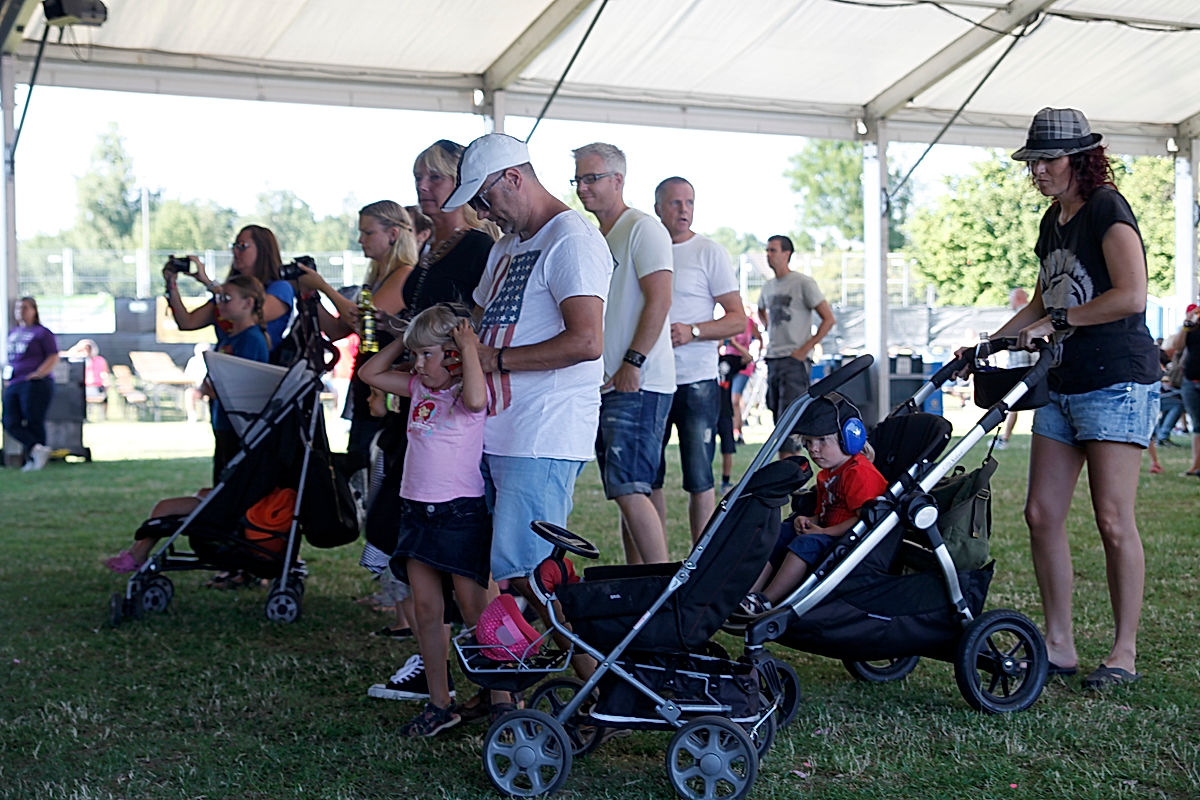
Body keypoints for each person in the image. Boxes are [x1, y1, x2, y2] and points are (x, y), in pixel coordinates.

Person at [993, 107, 1160, 690]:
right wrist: (996, 338)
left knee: (1113, 520)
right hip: (1061, 383)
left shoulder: (1108, 209)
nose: (1038, 170)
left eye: (1049, 160)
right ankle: (1059, 644)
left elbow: (1132, 296)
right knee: (1041, 514)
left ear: (1081, 159)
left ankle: (1124, 652)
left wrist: (1059, 319)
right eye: (1033, 161)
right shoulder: (1053, 220)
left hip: (1116, 379)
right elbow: (1043, 301)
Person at [446, 132, 610, 685]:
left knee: (532, 578)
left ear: (514, 178)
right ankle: (513, 691)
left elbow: (587, 341)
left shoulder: (573, 239)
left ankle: (600, 686)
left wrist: (493, 360)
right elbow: (478, 318)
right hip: (498, 432)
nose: (481, 211)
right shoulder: (506, 246)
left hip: (541, 434)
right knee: (512, 575)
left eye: (485, 198)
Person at [357, 142, 497, 701]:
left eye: (436, 178)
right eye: (419, 177)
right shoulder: (429, 251)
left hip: (455, 412)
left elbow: (481, 322)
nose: (424, 187)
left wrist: (452, 351)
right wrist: (406, 336)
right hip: (420, 402)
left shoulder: (477, 247)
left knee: (468, 573)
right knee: (402, 536)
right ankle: (436, 668)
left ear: (462, 184)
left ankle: (492, 676)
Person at [357, 305, 493, 737]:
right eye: (415, 357)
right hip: (415, 513)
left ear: (453, 356)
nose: (417, 365)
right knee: (427, 611)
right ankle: (440, 702)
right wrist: (406, 337)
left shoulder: (465, 392)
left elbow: (476, 399)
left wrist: (468, 349)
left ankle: (503, 699)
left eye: (427, 355)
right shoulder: (417, 388)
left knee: (475, 611)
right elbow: (370, 374)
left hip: (458, 516)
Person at [573, 142, 674, 565]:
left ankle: (665, 588)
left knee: (630, 487)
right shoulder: (598, 235)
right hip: (611, 382)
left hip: (638, 381)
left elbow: (661, 299)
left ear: (618, 180)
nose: (582, 187)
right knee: (629, 488)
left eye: (591, 178)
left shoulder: (642, 228)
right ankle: (642, 584)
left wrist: (634, 361)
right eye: (578, 179)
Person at [651, 176, 747, 542]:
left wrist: (691, 331)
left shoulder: (709, 251)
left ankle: (699, 563)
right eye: (675, 203)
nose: (684, 210)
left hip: (697, 381)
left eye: (689, 202)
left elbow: (737, 318)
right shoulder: (644, 247)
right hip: (649, 380)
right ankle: (654, 563)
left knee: (700, 478)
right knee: (647, 478)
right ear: (657, 207)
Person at [738, 393, 884, 615]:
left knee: (806, 543)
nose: (813, 449)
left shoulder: (859, 473)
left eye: (822, 440)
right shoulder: (827, 475)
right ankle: (746, 592)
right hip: (826, 532)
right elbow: (825, 511)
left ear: (849, 438)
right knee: (778, 533)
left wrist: (824, 530)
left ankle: (766, 600)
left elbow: (862, 519)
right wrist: (808, 520)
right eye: (808, 442)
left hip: (849, 541)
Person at [296, 200, 420, 460]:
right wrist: (310, 295)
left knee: (371, 461)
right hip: (368, 381)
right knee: (358, 459)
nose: (361, 240)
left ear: (393, 234)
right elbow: (336, 331)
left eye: (368, 232)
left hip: (387, 385)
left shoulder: (405, 274)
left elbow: (366, 323)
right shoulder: (375, 279)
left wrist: (323, 287)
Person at [163, 224, 295, 361]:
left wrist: (210, 284)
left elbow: (250, 314)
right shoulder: (225, 294)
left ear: (263, 250)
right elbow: (187, 322)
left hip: (255, 372)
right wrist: (171, 284)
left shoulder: (280, 288)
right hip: (224, 367)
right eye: (234, 246)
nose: (235, 252)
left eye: (242, 246)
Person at [757, 235, 836, 423]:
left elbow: (828, 319)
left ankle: (790, 453)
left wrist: (804, 350)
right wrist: (768, 327)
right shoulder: (768, 286)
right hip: (773, 359)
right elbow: (760, 310)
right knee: (777, 418)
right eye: (767, 250)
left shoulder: (803, 283)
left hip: (794, 361)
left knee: (791, 422)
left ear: (787, 254)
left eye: (773, 250)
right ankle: (784, 453)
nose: (768, 255)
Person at [206, 275, 272, 484]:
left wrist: (214, 386)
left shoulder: (251, 340)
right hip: (224, 422)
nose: (220, 303)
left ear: (248, 303)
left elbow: (237, 387)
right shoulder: (229, 338)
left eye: (227, 298)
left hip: (239, 426)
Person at [3, 296, 59, 471]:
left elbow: (53, 355)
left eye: (25, 308)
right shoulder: (13, 333)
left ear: (34, 311)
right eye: (18, 308)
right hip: (14, 382)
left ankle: (35, 461)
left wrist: (39, 373)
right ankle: (37, 449)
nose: (21, 311)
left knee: (34, 419)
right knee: (10, 421)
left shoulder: (42, 333)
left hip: (35, 383)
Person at [997, 287, 1033, 449]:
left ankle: (1005, 438)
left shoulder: (1016, 316)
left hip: (1020, 366)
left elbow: (1007, 337)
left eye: (1011, 299)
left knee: (1012, 403)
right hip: (1035, 365)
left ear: (1017, 298)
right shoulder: (1034, 315)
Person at [1171, 302, 1200, 476]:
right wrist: (1186, 324)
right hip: (1190, 380)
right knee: (1197, 425)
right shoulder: (1191, 330)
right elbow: (1178, 345)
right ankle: (1195, 466)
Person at [726, 311, 761, 444]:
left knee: (735, 399)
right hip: (728, 363)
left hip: (743, 363)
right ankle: (731, 431)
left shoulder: (749, 322)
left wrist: (736, 345)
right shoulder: (724, 321)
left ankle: (738, 432)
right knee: (730, 400)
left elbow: (759, 340)